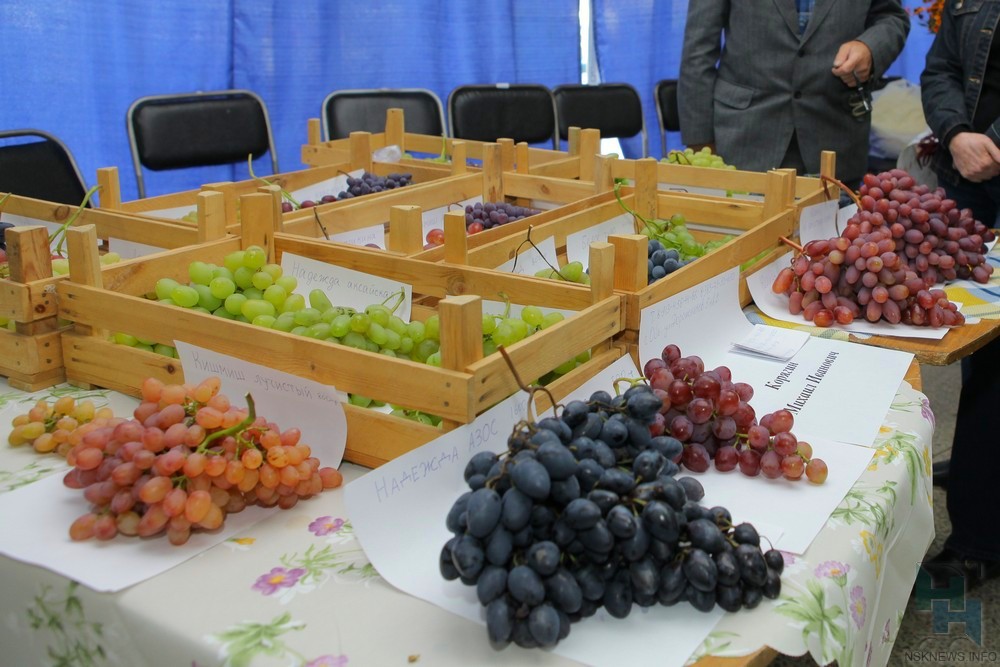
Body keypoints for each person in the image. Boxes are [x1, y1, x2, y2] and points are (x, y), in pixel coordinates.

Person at [919, 0, 1000, 590]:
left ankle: (978, 544)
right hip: (968, 183)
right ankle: (982, 472)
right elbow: (940, 67)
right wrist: (956, 133)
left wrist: (988, 142)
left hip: (986, 162)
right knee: (977, 339)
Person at [678, 1, 910, 186]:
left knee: (834, 243)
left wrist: (870, 48)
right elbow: (698, 50)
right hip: (743, 143)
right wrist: (700, 144)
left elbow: (891, 17)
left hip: (836, 138)